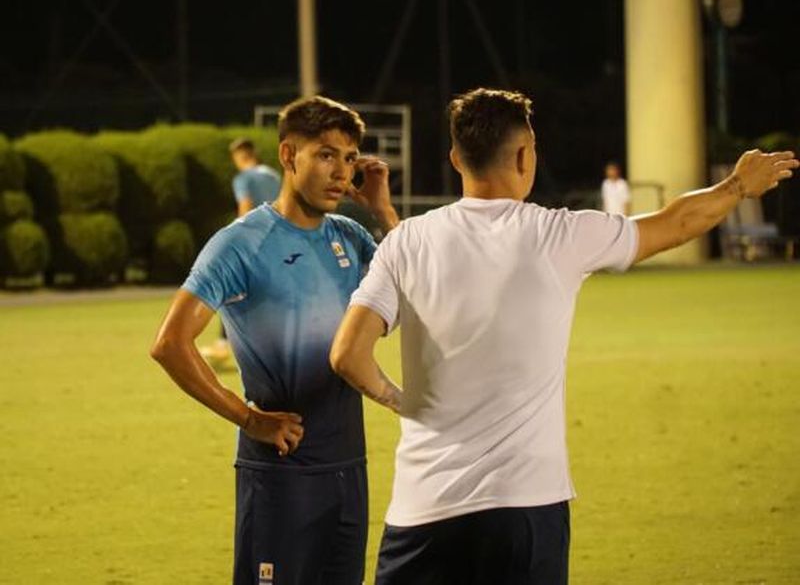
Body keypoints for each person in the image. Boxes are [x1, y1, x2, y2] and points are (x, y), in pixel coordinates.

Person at [329, 88, 797, 584]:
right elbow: (678, 223)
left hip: (424, 509)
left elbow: (348, 356)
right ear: (525, 155)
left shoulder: (406, 241)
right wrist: (737, 187)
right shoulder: (559, 235)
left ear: (455, 159)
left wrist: (398, 399)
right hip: (526, 506)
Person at [150, 95, 399, 585]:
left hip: (349, 466)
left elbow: (417, 295)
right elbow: (170, 343)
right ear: (288, 156)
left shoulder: (350, 236)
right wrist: (247, 418)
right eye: (326, 155)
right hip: (283, 476)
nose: (341, 173)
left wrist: (385, 213)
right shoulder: (241, 243)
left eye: (349, 159)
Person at [201, 138, 283, 366]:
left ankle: (225, 346)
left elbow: (245, 211)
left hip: (253, 244)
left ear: (240, 157)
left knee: (232, 291)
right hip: (279, 242)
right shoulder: (274, 176)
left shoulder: (244, 178)